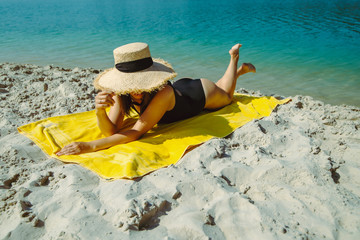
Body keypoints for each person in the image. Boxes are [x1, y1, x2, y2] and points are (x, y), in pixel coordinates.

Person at [56, 42, 255, 156]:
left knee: (227, 97)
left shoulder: (162, 93)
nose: (136, 91)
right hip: (181, 90)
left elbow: (135, 132)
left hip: (201, 93)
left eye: (142, 84)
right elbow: (110, 130)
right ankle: (237, 72)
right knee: (224, 88)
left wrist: (88, 146)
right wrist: (100, 111)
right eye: (131, 85)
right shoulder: (120, 93)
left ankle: (234, 61)